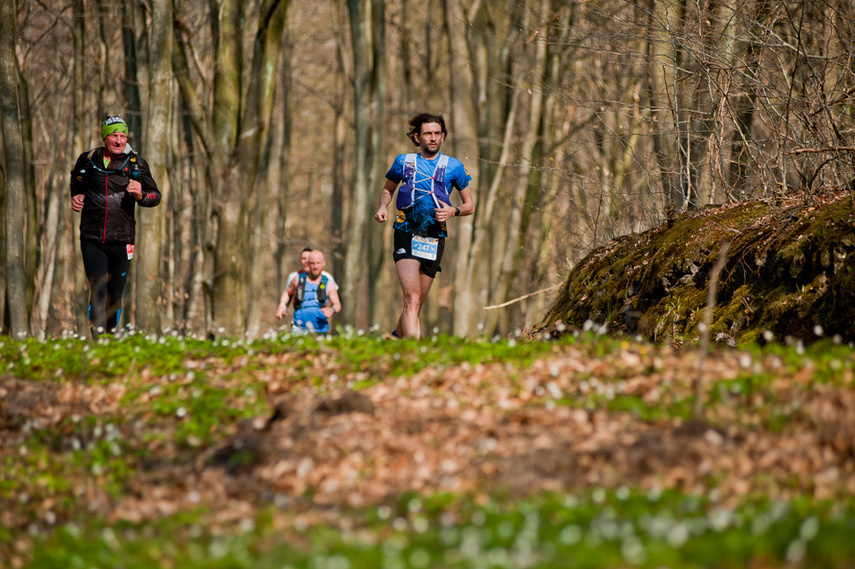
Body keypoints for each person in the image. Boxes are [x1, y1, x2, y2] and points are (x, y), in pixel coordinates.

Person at [373, 112, 474, 339]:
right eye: (428, 133)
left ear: (443, 136)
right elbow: (388, 189)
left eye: (437, 133)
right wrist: (382, 207)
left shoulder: (454, 167)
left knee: (416, 304)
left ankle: (395, 339)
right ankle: (413, 354)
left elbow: (470, 205)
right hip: (406, 231)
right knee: (412, 298)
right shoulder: (403, 162)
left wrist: (453, 211)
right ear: (417, 137)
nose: (433, 138)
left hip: (434, 236)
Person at [70, 115, 161, 337]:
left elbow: (155, 196)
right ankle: (98, 342)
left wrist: (141, 195)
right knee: (98, 291)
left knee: (115, 296)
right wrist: (77, 195)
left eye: (123, 136)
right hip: (92, 239)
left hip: (122, 240)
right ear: (105, 138)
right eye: (114, 136)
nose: (119, 141)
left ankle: (109, 341)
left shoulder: (136, 164)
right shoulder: (87, 159)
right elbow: (76, 181)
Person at [275, 249, 341, 333]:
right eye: (312, 263)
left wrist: (332, 310)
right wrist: (281, 306)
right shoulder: (298, 279)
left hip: (320, 330)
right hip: (298, 329)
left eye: (318, 263)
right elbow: (287, 292)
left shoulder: (328, 282)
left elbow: (337, 304)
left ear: (323, 263)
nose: (315, 266)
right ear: (308, 264)